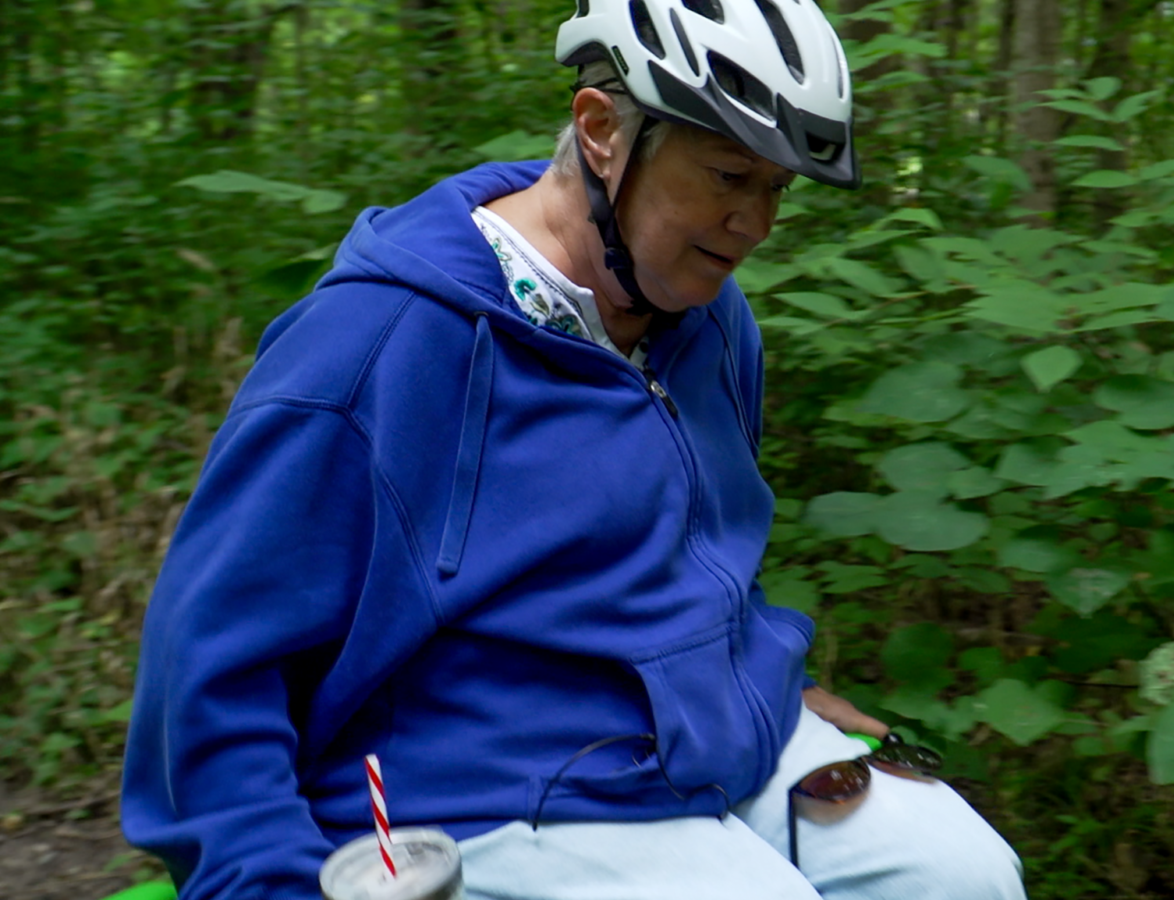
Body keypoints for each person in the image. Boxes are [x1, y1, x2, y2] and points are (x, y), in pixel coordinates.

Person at [120, 0, 1027, 897]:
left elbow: (694, 563)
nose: (755, 226)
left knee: (966, 876)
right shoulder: (375, 345)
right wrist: (258, 878)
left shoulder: (709, 322)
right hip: (475, 785)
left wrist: (764, 680)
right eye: (727, 176)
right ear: (600, 130)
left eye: (775, 189)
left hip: (694, 735)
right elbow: (209, 665)